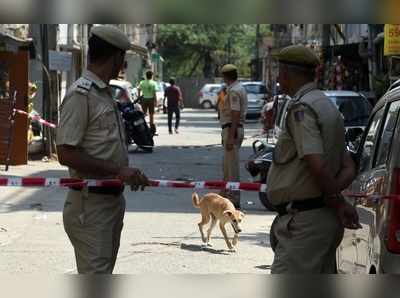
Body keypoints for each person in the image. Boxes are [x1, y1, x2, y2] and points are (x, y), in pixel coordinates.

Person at [56, 25, 149, 274]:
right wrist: (118, 170)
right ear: (117, 57)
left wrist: (125, 173)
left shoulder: (104, 92)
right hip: (90, 207)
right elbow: (65, 153)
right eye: (123, 59)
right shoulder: (81, 95)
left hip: (109, 203)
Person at [267, 45, 361, 274]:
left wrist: (333, 201)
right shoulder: (327, 105)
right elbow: (349, 167)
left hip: (305, 224)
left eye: (279, 72)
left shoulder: (303, 108)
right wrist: (332, 198)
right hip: (320, 218)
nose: (278, 78)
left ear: (287, 74)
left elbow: (315, 163)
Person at [218, 64, 248, 209]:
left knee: (232, 168)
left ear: (226, 76)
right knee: (226, 166)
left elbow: (235, 114)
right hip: (230, 128)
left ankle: (234, 200)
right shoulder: (233, 89)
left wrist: (230, 136)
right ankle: (224, 195)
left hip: (232, 129)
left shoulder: (235, 91)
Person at [138, 70, 157, 135]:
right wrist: (155, 101)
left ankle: (143, 126)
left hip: (144, 99)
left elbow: (138, 89)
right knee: (151, 114)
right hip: (151, 99)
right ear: (151, 76)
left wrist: (139, 96)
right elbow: (154, 93)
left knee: (143, 114)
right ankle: (152, 128)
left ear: (146, 76)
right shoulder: (154, 83)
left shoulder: (142, 82)